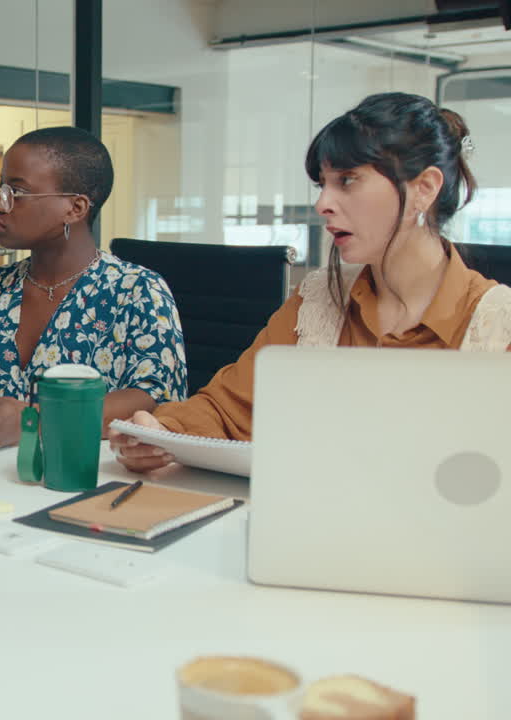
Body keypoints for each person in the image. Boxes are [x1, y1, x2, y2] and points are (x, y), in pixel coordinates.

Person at [111, 92, 511, 473]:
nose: (323, 203)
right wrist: (160, 431)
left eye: (348, 180)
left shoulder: (498, 328)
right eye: (323, 183)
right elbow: (229, 409)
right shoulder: (317, 301)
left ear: (424, 188)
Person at [0, 126, 188, 450]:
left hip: (84, 479)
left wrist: (36, 421)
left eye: (16, 192)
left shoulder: (137, 290)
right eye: (0, 189)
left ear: (75, 208)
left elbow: (152, 398)